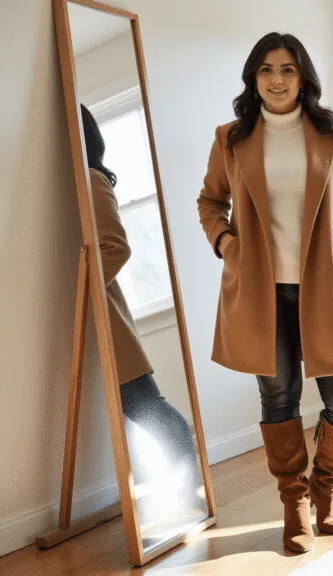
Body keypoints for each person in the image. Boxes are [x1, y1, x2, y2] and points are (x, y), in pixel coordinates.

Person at [196, 32, 333, 554]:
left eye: (288, 69)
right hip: (259, 291)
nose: (277, 79)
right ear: (254, 78)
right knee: (279, 396)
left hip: (325, 288)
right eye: (267, 69)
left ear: (304, 78)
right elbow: (210, 201)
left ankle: (327, 490)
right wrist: (226, 243)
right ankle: (294, 505)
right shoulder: (230, 137)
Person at [80, 104, 207, 532]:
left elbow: (115, 247)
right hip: (83, 321)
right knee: (129, 410)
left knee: (144, 404)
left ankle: (192, 479)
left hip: (103, 316)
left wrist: (81, 290)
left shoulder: (92, 179)